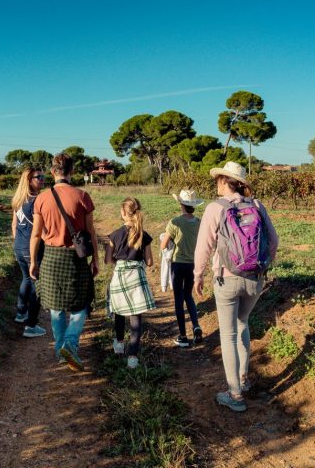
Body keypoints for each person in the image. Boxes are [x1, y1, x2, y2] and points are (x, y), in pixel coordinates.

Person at [194, 161, 279, 412]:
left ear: (223, 181)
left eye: (218, 180)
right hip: (255, 278)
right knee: (243, 323)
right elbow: (274, 240)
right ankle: (244, 378)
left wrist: (198, 275)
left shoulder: (215, 208)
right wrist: (264, 265)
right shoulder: (257, 205)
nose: (216, 184)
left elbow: (204, 246)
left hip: (226, 278)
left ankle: (235, 394)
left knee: (228, 334)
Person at [30, 153, 99, 372]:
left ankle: (62, 350)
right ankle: (70, 343)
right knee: (80, 306)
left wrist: (33, 261)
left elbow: (35, 235)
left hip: (50, 257)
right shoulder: (82, 196)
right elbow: (91, 233)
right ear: (72, 171)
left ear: (52, 172)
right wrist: (96, 259)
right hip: (76, 258)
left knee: (56, 309)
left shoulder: (41, 198)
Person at [105, 197, 156, 369]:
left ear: (122, 213)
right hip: (136, 276)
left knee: (119, 311)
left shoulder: (114, 235)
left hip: (120, 275)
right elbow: (149, 262)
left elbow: (108, 260)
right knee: (136, 317)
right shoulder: (144, 235)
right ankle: (133, 357)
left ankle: (119, 345)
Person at [160, 188, 204, 347]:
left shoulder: (175, 222)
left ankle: (183, 336)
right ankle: (196, 326)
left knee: (178, 299)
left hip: (178, 264)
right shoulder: (199, 223)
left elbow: (164, 245)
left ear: (181, 204)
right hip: (193, 265)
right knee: (189, 295)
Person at [11, 166, 47, 338]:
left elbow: (14, 225)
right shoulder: (37, 200)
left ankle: (20, 313)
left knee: (26, 278)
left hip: (18, 246)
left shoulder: (18, 200)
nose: (42, 179)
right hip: (31, 247)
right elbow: (41, 230)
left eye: (42, 176)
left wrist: (19, 241)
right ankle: (31, 325)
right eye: (38, 177)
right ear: (28, 181)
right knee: (36, 285)